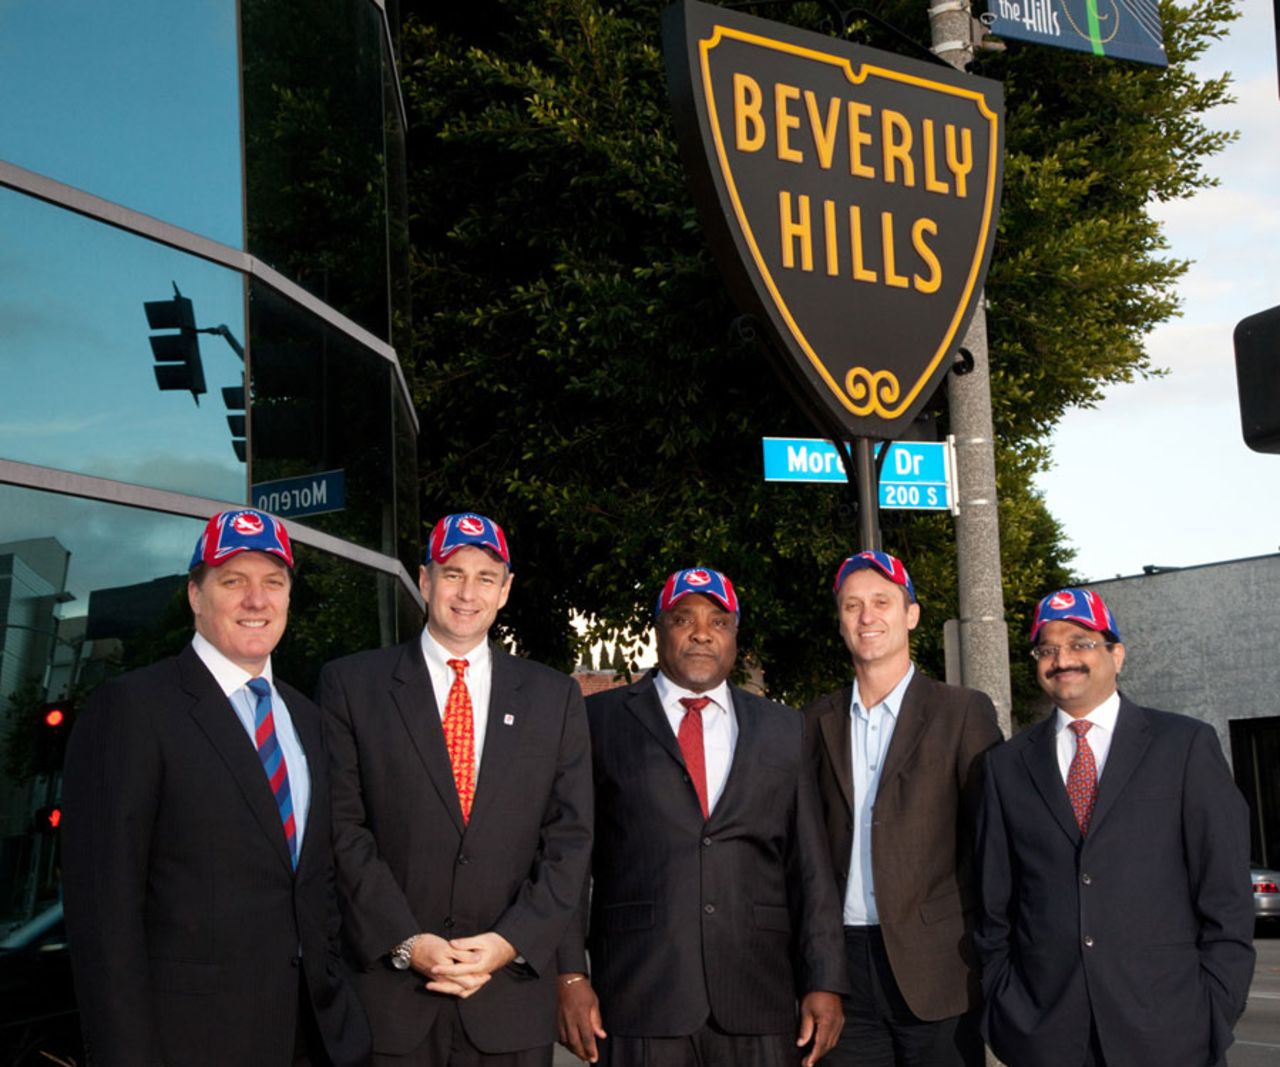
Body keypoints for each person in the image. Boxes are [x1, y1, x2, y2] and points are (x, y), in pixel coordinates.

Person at [62, 507, 371, 1067]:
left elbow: (315, 883)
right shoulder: (132, 710)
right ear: (195, 596)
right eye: (233, 581)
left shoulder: (307, 719)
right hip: (193, 1043)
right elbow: (104, 913)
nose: (257, 600)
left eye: (272, 582)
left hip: (316, 1039)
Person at [318, 512, 592, 1066]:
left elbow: (570, 842)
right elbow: (342, 831)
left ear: (506, 590)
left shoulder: (553, 697)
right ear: (424, 580)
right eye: (453, 573)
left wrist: (508, 942)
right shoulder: (352, 685)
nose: (468, 593)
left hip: (509, 1003)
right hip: (389, 1006)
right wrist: (406, 942)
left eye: (486, 577)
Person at [558, 566, 848, 1067]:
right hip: (639, 996)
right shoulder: (597, 721)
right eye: (683, 619)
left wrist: (824, 980)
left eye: (718, 621)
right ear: (658, 629)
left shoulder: (784, 728)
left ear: (734, 636)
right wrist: (568, 975)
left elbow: (811, 867)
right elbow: (568, 856)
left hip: (759, 996)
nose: (700, 632)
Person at [976, 587, 1256, 1067]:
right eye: (1047, 648)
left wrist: (1212, 1010)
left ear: (1116, 654)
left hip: (1170, 1034)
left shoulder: (1185, 746)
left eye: (1080, 642)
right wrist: (1004, 1010)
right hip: (1045, 1038)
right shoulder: (1004, 767)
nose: (1062, 658)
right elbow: (993, 908)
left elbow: (1226, 898)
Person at [802, 550, 1001, 1067]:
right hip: (841, 973)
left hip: (938, 971)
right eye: (852, 606)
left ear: (910, 614)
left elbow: (993, 844)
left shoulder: (962, 712)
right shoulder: (813, 721)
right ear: (841, 620)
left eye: (882, 602)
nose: (867, 617)